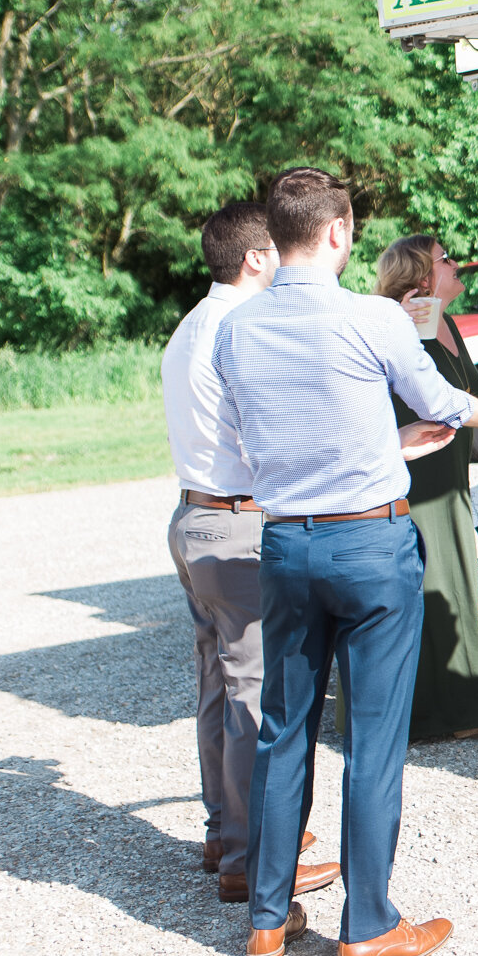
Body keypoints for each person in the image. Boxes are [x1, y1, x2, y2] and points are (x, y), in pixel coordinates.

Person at [212, 168, 478, 956]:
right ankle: (367, 925)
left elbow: (253, 439)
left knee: (283, 730)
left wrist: (374, 449)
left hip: (285, 543)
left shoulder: (237, 330)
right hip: (368, 545)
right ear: (335, 232)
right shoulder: (372, 317)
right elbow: (439, 402)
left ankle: (268, 919)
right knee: (373, 741)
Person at [161, 202, 339, 905]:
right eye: (277, 251)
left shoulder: (189, 325)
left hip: (193, 517)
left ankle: (223, 831)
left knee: (216, 684)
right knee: (251, 694)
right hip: (235, 524)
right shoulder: (238, 327)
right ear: (257, 257)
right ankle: (251, 858)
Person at [367, 234, 478, 742]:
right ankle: (424, 714)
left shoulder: (446, 322)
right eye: (444, 258)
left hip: (450, 468)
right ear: (420, 275)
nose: (457, 263)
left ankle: (467, 703)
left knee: (455, 579)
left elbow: (465, 392)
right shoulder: (401, 325)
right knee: (428, 585)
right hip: (416, 472)